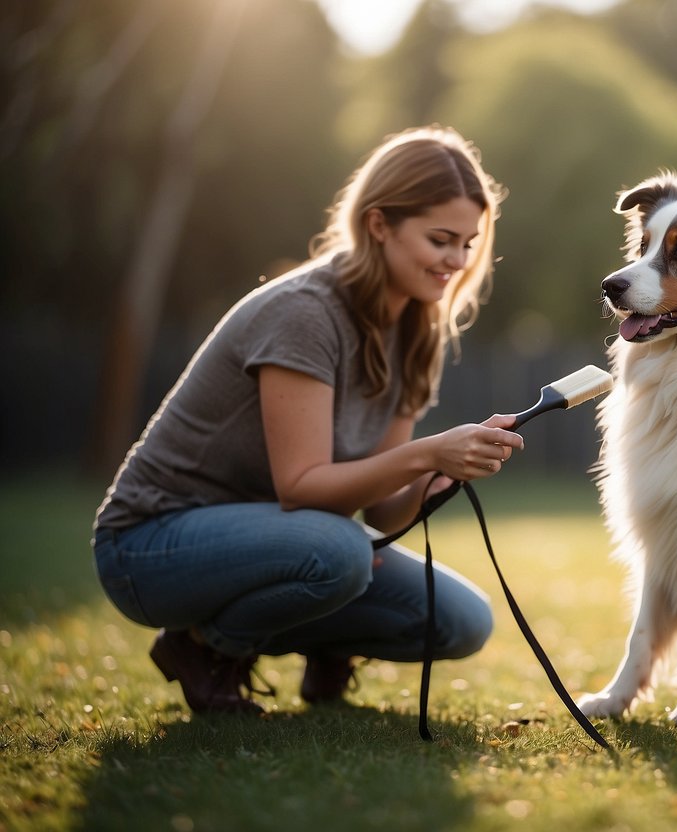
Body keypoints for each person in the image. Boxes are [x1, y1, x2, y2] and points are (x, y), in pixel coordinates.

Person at [92, 125, 523, 714]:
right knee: (340, 552)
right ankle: (202, 646)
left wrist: (438, 477)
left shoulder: (417, 332)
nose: (457, 261)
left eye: (468, 244)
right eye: (441, 239)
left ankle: (326, 647)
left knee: (462, 621)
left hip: (296, 535)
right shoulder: (306, 313)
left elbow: (382, 507)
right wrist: (426, 453)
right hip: (150, 545)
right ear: (379, 225)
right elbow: (301, 487)